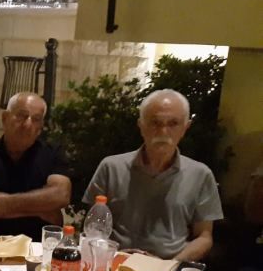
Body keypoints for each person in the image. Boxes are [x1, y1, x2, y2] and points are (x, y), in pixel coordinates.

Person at [83, 89, 223, 261]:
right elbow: (94, 227)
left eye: (173, 123)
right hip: (115, 262)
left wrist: (168, 266)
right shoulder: (111, 167)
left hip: (169, 267)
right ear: (141, 125)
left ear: (185, 128)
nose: (163, 131)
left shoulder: (201, 175)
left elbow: (204, 237)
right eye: (155, 123)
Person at [0, 92, 71, 241]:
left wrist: (3, 204)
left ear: (41, 127)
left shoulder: (53, 153)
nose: (28, 124)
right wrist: (43, 209)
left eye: (36, 119)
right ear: (5, 118)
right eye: (22, 116)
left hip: (38, 246)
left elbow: (61, 195)